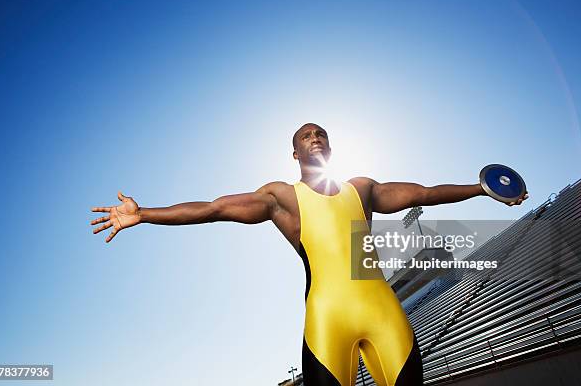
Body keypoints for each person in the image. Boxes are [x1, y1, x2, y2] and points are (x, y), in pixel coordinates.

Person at [90, 123, 527, 385]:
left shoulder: (362, 189)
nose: (315, 138)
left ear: (329, 149)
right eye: (306, 135)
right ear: (294, 152)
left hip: (384, 313)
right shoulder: (283, 198)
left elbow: (427, 193)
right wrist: (144, 213)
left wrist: (482, 188)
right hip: (326, 321)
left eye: (321, 134)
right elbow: (214, 208)